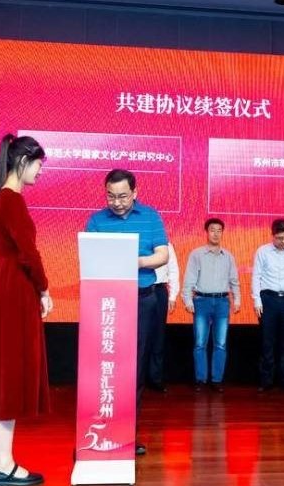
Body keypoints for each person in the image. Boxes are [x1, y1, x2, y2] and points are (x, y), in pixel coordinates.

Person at [0, 134, 53, 486]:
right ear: (22, 162)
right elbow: (28, 254)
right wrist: (44, 288)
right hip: (14, 289)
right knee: (8, 372)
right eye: (37, 165)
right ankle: (4, 463)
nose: (39, 172)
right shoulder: (12, 200)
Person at [85, 169, 168, 456]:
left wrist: (136, 261)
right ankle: (99, 430)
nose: (117, 202)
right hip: (106, 301)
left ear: (135, 192)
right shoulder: (96, 220)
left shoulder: (151, 216)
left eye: (122, 196)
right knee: (105, 366)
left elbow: (162, 255)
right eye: (111, 196)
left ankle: (126, 433)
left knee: (134, 368)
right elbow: (89, 256)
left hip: (142, 299)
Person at [182, 218, 241, 392]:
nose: (215, 233)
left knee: (220, 343)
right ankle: (201, 379)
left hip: (222, 302)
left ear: (222, 233)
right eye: (212, 230)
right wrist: (187, 300)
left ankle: (216, 380)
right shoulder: (197, 254)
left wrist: (237, 299)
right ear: (206, 232)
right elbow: (189, 279)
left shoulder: (228, 256)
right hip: (201, 301)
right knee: (200, 343)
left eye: (219, 230)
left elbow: (234, 281)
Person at [252, 218, 284, 392]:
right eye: (280, 238)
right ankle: (266, 381)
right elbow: (256, 277)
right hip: (268, 299)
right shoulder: (263, 251)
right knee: (267, 342)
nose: (283, 241)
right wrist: (257, 300)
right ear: (272, 235)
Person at [148, 243, 179, 393]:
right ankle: (136, 377)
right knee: (136, 336)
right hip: (138, 290)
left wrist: (172, 296)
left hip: (159, 290)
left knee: (158, 336)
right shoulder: (137, 240)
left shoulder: (166, 245)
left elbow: (173, 270)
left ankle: (156, 378)